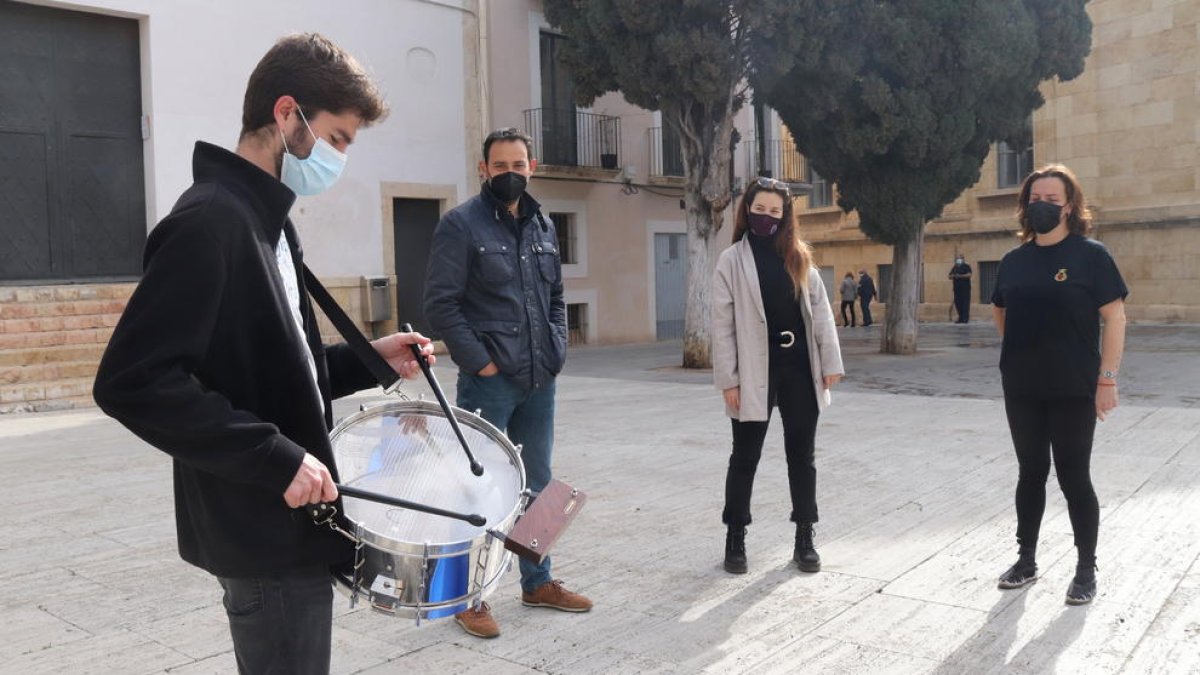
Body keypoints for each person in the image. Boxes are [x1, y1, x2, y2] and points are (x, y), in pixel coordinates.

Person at [92, 34, 435, 675]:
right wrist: (275, 457)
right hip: (262, 529)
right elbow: (131, 382)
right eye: (336, 138)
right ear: (286, 115)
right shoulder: (210, 223)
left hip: (292, 521)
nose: (338, 159)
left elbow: (275, 375)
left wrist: (370, 359)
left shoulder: (269, 224)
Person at [424, 127, 592, 639]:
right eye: (500, 166)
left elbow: (557, 297)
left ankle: (536, 582)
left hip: (541, 380)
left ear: (532, 165)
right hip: (489, 385)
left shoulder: (542, 224)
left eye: (518, 163)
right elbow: (440, 305)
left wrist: (557, 348)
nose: (510, 173)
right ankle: (465, 598)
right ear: (483, 170)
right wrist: (483, 364)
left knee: (537, 484)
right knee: (477, 490)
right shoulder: (460, 225)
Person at [991, 164, 1127, 606]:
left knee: (1073, 476)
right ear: (1025, 205)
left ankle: (1085, 568)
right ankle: (1026, 560)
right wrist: (1021, 352)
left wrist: (1106, 378)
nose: (1043, 206)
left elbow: (1115, 317)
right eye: (1036, 199)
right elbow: (1000, 311)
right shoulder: (1013, 261)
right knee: (1030, 472)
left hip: (1074, 388)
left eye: (1052, 200)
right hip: (1023, 388)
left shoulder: (1091, 255)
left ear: (1070, 206)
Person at [712, 177, 844, 576]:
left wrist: (830, 365)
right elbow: (722, 326)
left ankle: (805, 537)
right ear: (747, 210)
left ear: (785, 216)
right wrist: (729, 380)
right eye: (759, 209)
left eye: (774, 211)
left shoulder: (799, 256)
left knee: (802, 457)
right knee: (745, 455)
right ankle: (735, 536)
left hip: (799, 369)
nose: (766, 217)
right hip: (754, 369)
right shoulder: (731, 261)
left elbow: (820, 313)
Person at [949, 254, 973, 323]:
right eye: (957, 259)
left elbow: (969, 274)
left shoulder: (966, 266)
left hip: (965, 289)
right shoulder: (955, 267)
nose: (958, 260)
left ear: (963, 259)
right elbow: (949, 276)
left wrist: (960, 276)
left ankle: (965, 319)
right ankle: (960, 318)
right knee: (958, 303)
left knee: (965, 303)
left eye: (959, 258)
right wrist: (953, 276)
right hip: (957, 289)